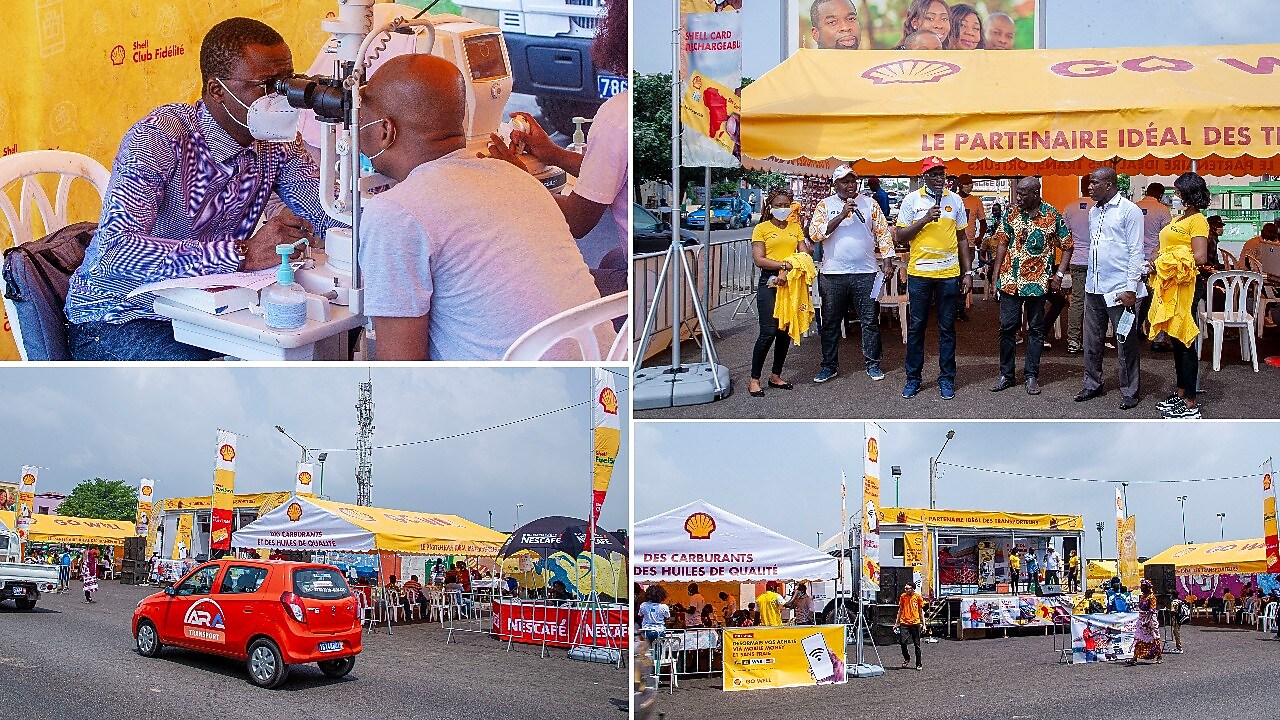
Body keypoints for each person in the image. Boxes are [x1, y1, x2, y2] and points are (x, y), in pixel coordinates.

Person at [65, 18, 342, 360]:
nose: (280, 99)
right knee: (219, 381)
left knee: (323, 345)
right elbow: (116, 251)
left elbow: (328, 213)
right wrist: (242, 254)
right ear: (217, 91)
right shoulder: (159, 136)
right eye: (266, 86)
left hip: (209, 309)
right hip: (119, 316)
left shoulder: (276, 143)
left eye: (286, 84)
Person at [357, 54, 605, 360]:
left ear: (385, 130)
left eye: (362, 119)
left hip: (526, 389)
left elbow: (401, 370)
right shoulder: (517, 177)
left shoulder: (396, 213)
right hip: (603, 376)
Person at [497, 0, 628, 255]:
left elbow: (576, 221)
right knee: (611, 258)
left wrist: (517, 178)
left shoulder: (616, 116)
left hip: (626, 271)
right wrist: (554, 154)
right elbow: (609, 173)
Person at [810, 165, 894, 384]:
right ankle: (829, 366)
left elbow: (883, 233)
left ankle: (873, 364)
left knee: (869, 320)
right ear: (835, 184)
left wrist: (888, 260)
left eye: (852, 181)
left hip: (866, 272)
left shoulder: (870, 204)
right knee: (830, 322)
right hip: (833, 274)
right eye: (845, 181)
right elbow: (815, 234)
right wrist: (842, 215)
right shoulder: (824, 205)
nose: (850, 185)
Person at [897, 157, 972, 400]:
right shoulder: (912, 200)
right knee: (917, 327)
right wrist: (925, 219)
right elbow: (900, 236)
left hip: (948, 274)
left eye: (942, 174)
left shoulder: (955, 200)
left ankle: (947, 378)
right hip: (920, 274)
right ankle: (913, 378)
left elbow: (962, 238)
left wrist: (967, 272)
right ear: (924, 177)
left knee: (947, 328)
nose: (940, 178)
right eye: (934, 174)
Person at [989, 177, 1070, 395]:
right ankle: (1006, 374)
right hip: (1010, 280)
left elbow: (1068, 246)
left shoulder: (1052, 215)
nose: (1018, 198)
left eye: (1023, 194)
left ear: (1036, 193)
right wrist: (995, 276)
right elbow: (1002, 243)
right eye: (1018, 194)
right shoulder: (1011, 212)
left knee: (1035, 329)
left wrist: (1059, 275)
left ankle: (1031, 375)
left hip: (1037, 283)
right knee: (1007, 327)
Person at [1077, 166, 1146, 410]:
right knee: (1092, 340)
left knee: (1125, 341)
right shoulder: (1094, 211)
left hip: (1119, 289)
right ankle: (1092, 384)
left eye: (1094, 183)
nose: (1089, 187)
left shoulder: (1129, 211)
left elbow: (1136, 251)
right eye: (1089, 182)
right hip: (1094, 286)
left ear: (1109, 184)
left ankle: (1130, 390)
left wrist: (1131, 288)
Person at [1149, 172, 1211, 419]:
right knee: (1175, 338)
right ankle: (1181, 391)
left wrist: (1166, 261)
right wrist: (1155, 259)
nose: (1174, 195)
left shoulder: (1198, 220)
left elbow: (1200, 256)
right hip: (1169, 284)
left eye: (1177, 191)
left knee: (1185, 339)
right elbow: (1164, 245)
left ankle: (1190, 403)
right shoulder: (1179, 218)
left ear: (1188, 193)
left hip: (1185, 286)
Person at [749, 189, 811, 396]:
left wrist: (786, 270)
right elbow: (759, 259)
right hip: (769, 281)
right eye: (778, 205)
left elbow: (804, 255)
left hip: (791, 281)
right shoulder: (761, 228)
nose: (783, 209)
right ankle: (754, 379)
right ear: (770, 207)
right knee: (768, 332)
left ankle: (775, 375)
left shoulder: (795, 227)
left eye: (786, 205)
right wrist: (784, 265)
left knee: (784, 331)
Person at [1062, 176, 1093, 354]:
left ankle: (1073, 340)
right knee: (1097, 301)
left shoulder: (1070, 208)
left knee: (1077, 301)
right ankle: (1094, 339)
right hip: (1098, 261)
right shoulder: (1101, 207)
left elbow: (1064, 237)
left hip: (1076, 259)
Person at [1129, 579, 1163, 665]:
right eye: (1141, 586)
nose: (1141, 588)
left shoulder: (1152, 597)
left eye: (1143, 586)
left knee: (1154, 638)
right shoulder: (1142, 597)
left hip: (1150, 620)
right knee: (1139, 638)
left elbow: (1152, 610)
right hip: (1142, 619)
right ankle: (1135, 657)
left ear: (1148, 587)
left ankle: (1159, 656)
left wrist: (1147, 622)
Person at [895, 581, 925, 670]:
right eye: (905, 588)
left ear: (913, 589)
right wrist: (896, 623)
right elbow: (900, 610)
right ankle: (907, 658)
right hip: (904, 622)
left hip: (915, 623)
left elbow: (921, 612)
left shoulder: (918, 597)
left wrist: (924, 624)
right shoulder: (903, 596)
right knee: (903, 642)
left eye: (907, 588)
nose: (905, 590)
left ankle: (919, 663)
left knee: (917, 644)